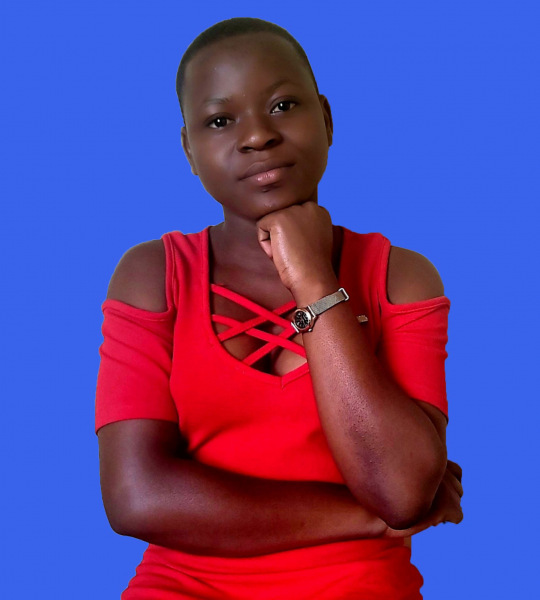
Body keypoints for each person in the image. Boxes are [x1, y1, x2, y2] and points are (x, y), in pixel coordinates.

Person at [95, 17, 463, 599]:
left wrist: (313, 280)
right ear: (189, 149)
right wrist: (367, 518)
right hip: (181, 586)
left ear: (327, 119)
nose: (258, 136)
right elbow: (136, 498)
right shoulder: (153, 277)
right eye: (220, 121)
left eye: (283, 106)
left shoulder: (399, 277)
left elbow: (401, 491)